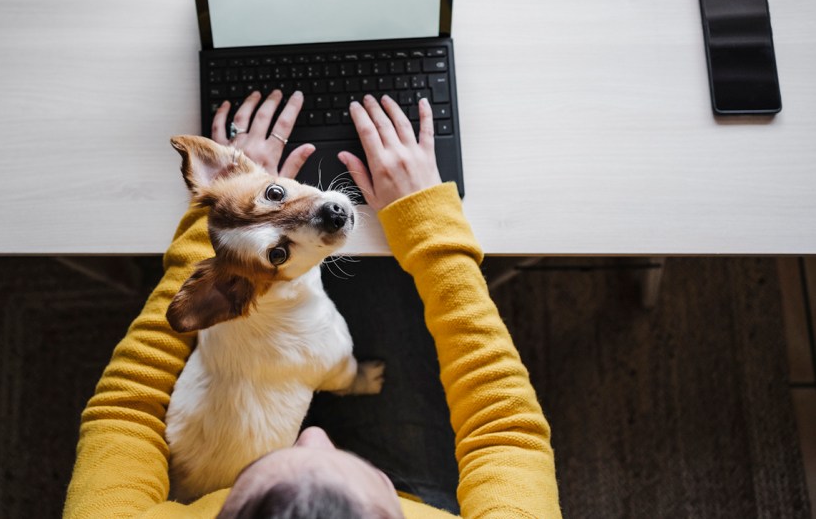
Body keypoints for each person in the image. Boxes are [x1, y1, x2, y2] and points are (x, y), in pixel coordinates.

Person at [63, 89, 562, 518]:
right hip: (403, 462)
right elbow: (504, 430)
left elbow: (124, 411)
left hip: (232, 416)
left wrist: (221, 213)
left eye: (256, 474)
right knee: (386, 285)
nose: (315, 433)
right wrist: (428, 224)